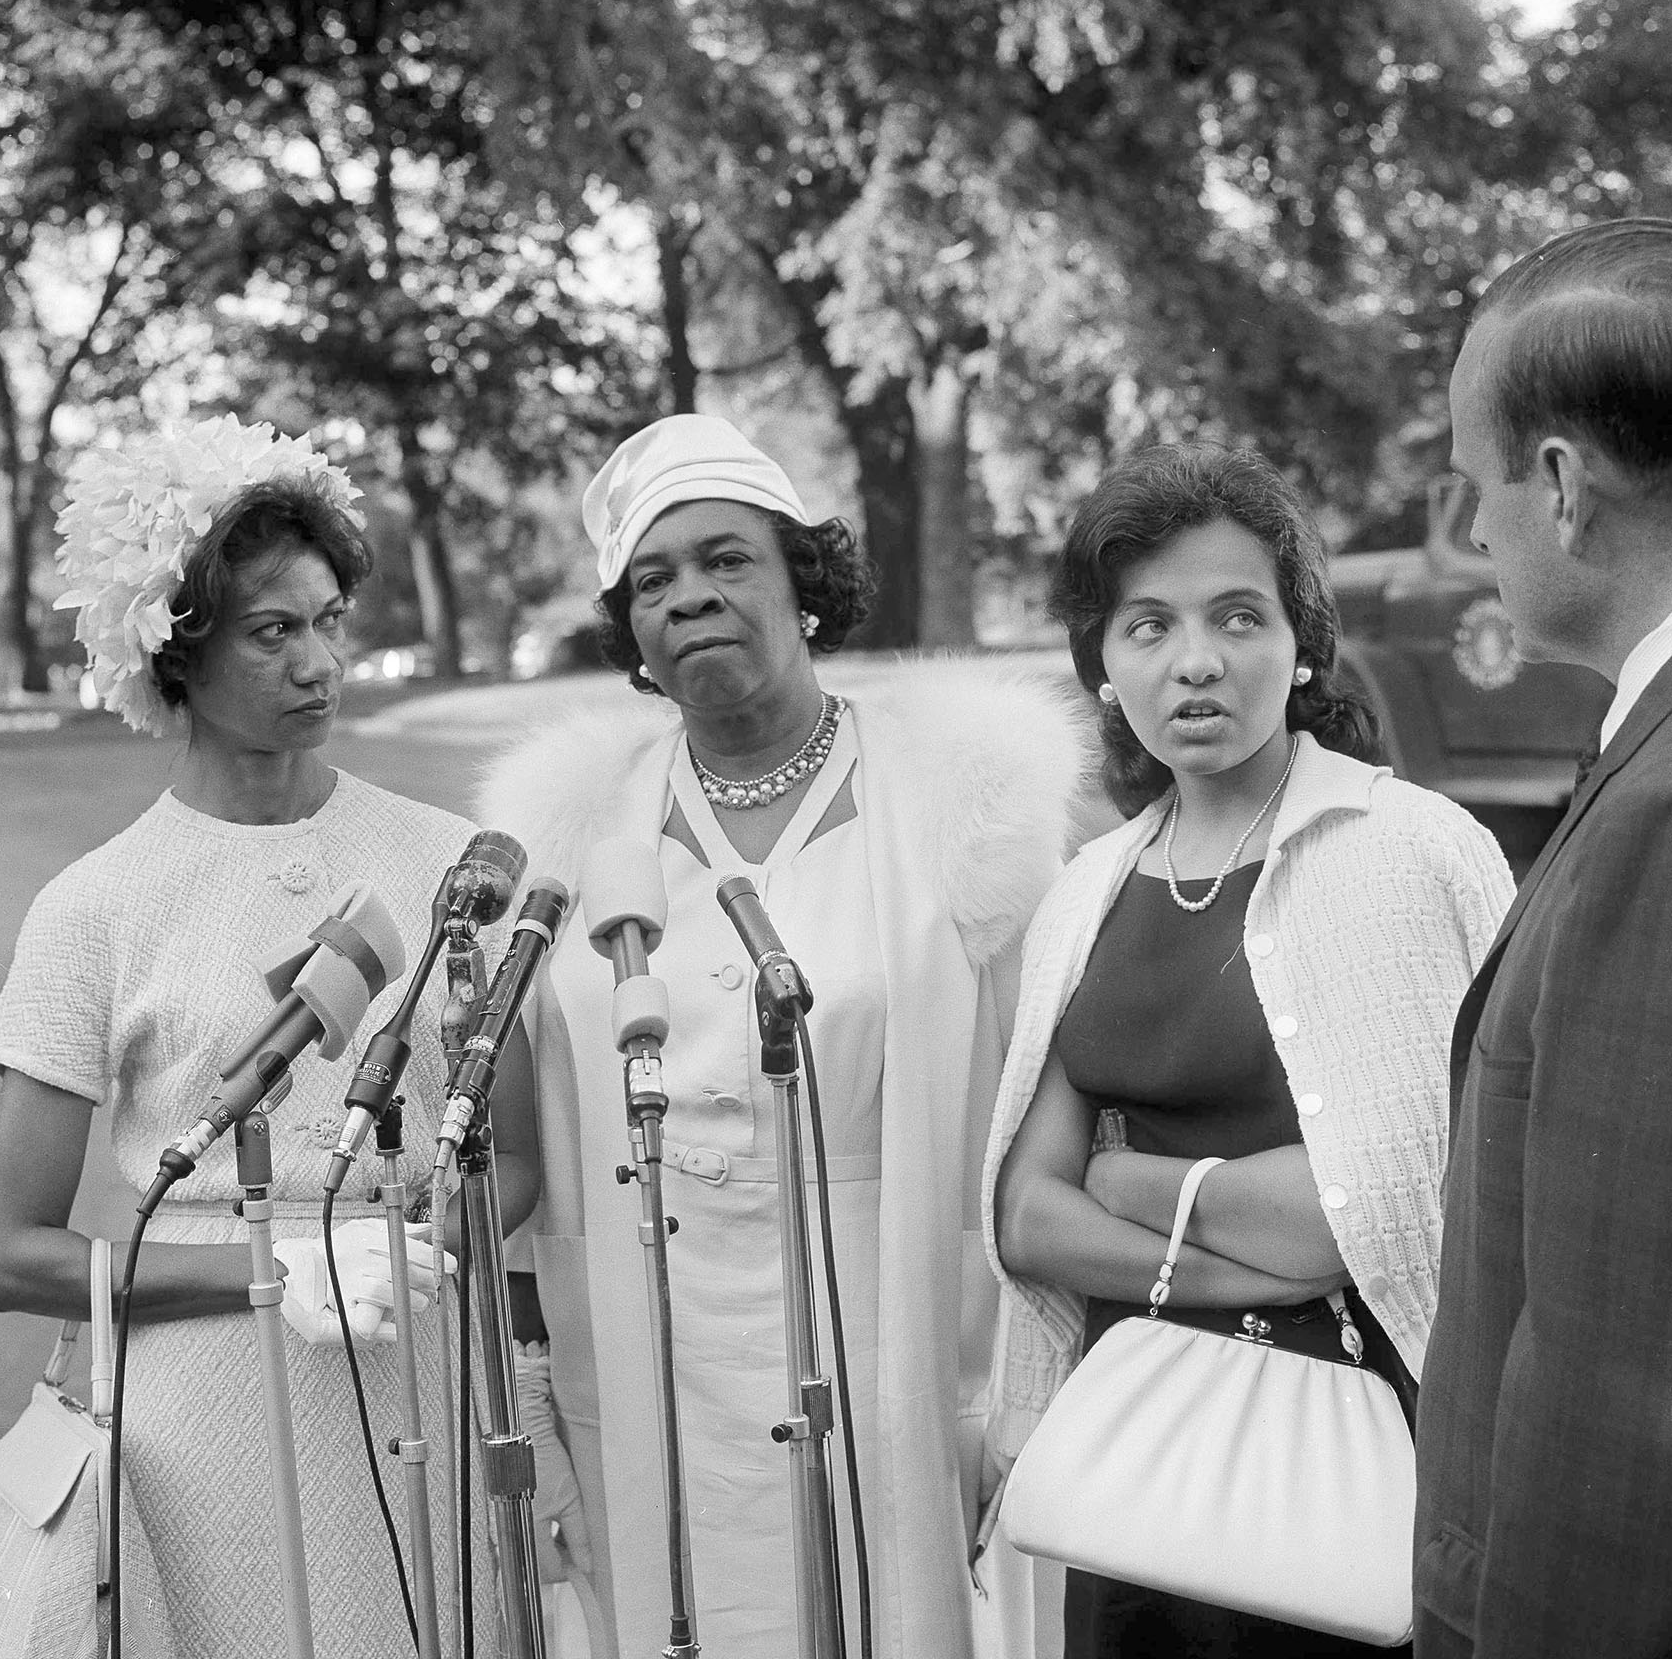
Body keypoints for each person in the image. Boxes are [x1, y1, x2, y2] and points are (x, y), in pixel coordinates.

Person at [478, 413, 1091, 1659]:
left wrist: (1029, 1389)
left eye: (726, 560)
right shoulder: (574, 826)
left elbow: (1047, 1107)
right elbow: (523, 1144)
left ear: (804, 583)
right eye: (652, 582)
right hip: (652, 1362)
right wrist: (530, 1395)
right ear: (630, 634)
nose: (690, 597)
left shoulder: (959, 799)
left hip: (897, 1345)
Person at [0, 417, 537, 1659]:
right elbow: (10, 1255)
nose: (318, 660)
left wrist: (418, 1248)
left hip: (425, 1371)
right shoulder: (93, 907)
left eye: (328, 619)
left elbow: (519, 1161)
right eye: (271, 630)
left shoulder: (448, 858)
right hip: (202, 1405)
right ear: (173, 651)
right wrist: (280, 1277)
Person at [984, 445, 1514, 1658]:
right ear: (1103, 670)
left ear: (1303, 644)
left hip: (1349, 1457)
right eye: (1146, 626)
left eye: (1238, 615)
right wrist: (1238, 1260)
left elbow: (1363, 1216)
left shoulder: (1409, 851)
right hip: (1139, 1460)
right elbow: (1023, 1221)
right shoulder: (1085, 896)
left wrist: (1128, 1186)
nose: (1197, 660)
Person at [1414, 218, 1672, 1658]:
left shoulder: (1660, 813)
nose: (1477, 535)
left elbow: (1618, 1389)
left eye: (1477, 486)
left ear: (1563, 485)